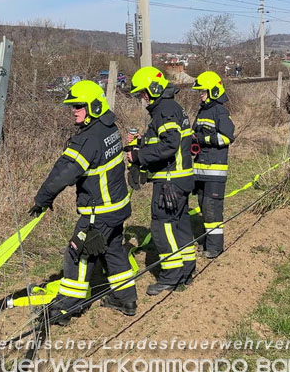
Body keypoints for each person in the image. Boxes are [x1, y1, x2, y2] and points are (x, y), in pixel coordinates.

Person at [30, 80, 136, 325]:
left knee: (77, 255)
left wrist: (42, 199)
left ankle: (64, 309)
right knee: (113, 251)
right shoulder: (109, 128)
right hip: (118, 207)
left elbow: (65, 173)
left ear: (94, 107)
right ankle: (126, 298)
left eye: (78, 106)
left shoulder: (88, 139)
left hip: (99, 213)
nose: (73, 111)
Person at [126, 66, 196, 295]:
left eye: (143, 93)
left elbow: (169, 144)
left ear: (154, 89)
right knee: (180, 225)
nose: (143, 98)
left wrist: (139, 156)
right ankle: (186, 271)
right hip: (181, 179)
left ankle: (171, 276)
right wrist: (142, 141)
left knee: (162, 227)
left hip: (170, 182)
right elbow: (162, 139)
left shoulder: (164, 110)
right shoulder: (172, 107)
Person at [191, 71, 235, 259]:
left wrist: (203, 139)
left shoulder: (220, 111)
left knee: (212, 209)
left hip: (215, 171)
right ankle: (207, 242)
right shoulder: (203, 110)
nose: (200, 94)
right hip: (201, 170)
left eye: (203, 91)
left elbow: (226, 137)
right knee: (203, 207)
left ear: (213, 91)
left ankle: (215, 248)